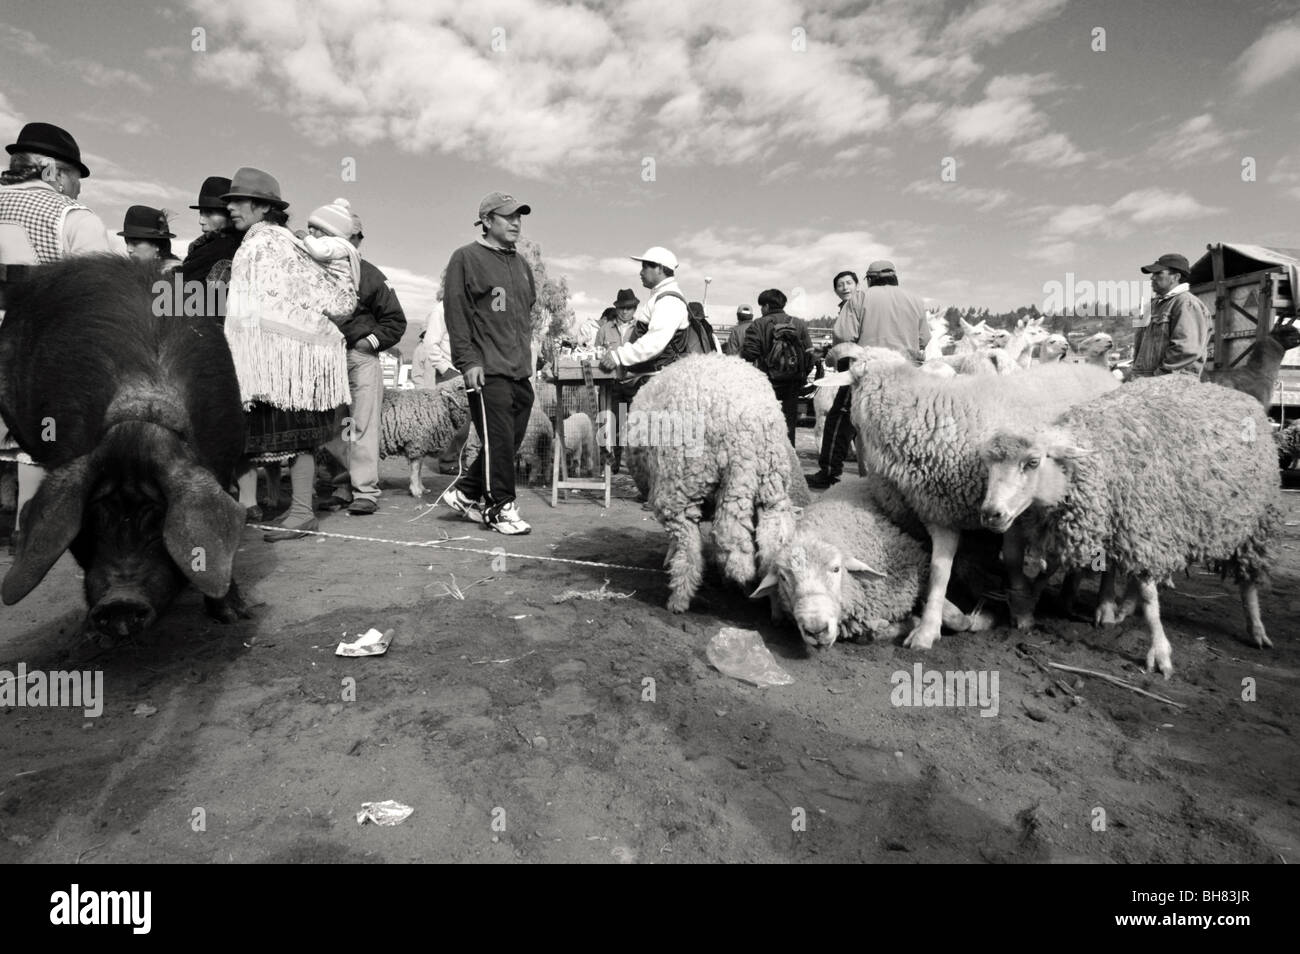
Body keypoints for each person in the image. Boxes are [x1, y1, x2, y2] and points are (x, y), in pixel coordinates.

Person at [222, 167, 354, 542]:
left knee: (297, 434)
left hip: (289, 359)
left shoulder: (270, 242)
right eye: (230, 202)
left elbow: (312, 294)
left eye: (238, 201)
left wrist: (272, 351)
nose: (232, 208)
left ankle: (300, 513)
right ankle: (286, 510)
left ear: (263, 206)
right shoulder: (262, 241)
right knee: (284, 434)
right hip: (279, 358)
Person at [0, 122, 110, 551]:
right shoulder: (72, 217)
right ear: (52, 172)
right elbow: (95, 297)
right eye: (75, 180)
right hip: (32, 350)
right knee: (37, 437)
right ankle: (27, 529)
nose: (76, 191)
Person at [439, 192, 537, 535]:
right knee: (497, 440)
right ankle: (499, 507)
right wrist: (468, 361)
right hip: (486, 369)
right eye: (507, 217)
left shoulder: (523, 265)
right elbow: (457, 314)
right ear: (486, 221)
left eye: (519, 217)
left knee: (507, 442)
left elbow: (526, 314)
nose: (515, 223)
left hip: (520, 371)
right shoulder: (465, 258)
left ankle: (466, 493)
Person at [318, 205, 407, 515]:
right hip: (327, 358)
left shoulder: (369, 275)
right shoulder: (316, 271)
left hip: (359, 357)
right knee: (334, 427)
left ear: (354, 238)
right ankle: (342, 485)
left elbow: (395, 321)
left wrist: (367, 343)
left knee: (362, 425)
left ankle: (365, 490)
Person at [741, 288, 814, 445]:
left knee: (763, 422)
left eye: (762, 306)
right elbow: (810, 355)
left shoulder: (758, 324)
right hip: (792, 382)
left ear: (766, 306)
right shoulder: (799, 324)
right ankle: (789, 459)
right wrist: (801, 375)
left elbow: (749, 354)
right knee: (789, 423)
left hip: (765, 382)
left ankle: (766, 457)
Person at [807, 270, 859, 488]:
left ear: (858, 284)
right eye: (840, 285)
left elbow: (848, 339)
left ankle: (829, 472)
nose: (845, 287)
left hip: (855, 370)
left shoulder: (855, 306)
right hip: (858, 366)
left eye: (849, 283)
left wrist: (829, 355)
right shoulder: (851, 306)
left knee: (838, 421)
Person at [172, 176, 242, 318]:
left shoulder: (222, 248)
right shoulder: (206, 246)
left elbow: (175, 283)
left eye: (209, 213)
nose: (201, 220)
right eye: (201, 213)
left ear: (230, 215)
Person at [833, 260, 929, 361]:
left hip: (869, 367)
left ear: (869, 279)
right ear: (895, 278)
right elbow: (924, 339)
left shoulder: (858, 299)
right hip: (907, 366)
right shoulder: (915, 300)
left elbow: (843, 337)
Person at [1132, 252, 1209, 379]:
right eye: (1152, 274)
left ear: (1175, 277)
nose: (1152, 278)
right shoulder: (1154, 306)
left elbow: (1186, 349)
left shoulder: (1186, 303)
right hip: (1148, 383)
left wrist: (1159, 377)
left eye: (1158, 273)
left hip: (1172, 385)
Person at [594, 290, 641, 472]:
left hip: (634, 383)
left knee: (637, 426)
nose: (625, 311)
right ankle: (611, 467)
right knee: (611, 425)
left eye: (629, 308)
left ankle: (635, 469)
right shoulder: (604, 329)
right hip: (611, 385)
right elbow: (596, 354)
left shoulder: (640, 329)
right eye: (622, 307)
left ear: (634, 309)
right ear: (617, 308)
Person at [118, 205, 180, 270]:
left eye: (135, 243)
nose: (128, 250)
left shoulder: (178, 274)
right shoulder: (128, 271)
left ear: (158, 245)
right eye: (127, 242)